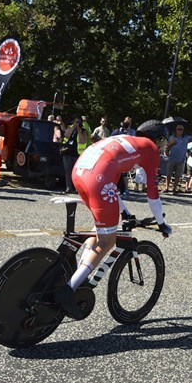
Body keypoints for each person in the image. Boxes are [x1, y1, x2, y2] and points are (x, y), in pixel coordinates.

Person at [54, 120, 173, 318]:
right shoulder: (150, 148)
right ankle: (69, 290)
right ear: (158, 140)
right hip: (98, 178)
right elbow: (152, 194)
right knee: (108, 241)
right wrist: (161, 223)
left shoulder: (124, 140)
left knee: (99, 230)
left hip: (80, 172)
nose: (161, 147)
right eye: (163, 142)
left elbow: (111, 183)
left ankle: (80, 277)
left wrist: (124, 211)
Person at [164, 122, 192, 194]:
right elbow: (166, 147)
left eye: (181, 129)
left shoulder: (186, 138)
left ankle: (174, 189)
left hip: (181, 160)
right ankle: (167, 188)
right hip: (172, 158)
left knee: (177, 176)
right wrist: (170, 144)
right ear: (176, 130)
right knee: (168, 174)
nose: (180, 130)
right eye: (179, 129)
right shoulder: (172, 137)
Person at [60, 116, 87, 193]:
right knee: (67, 171)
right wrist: (73, 127)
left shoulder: (83, 131)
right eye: (76, 122)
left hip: (77, 154)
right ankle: (68, 188)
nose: (77, 124)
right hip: (67, 152)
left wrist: (79, 130)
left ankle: (77, 188)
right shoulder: (70, 128)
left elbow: (83, 141)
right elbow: (66, 135)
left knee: (76, 173)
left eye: (79, 122)